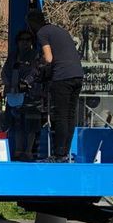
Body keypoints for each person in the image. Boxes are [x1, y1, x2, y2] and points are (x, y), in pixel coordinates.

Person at [27, 9, 84, 161]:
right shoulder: (59, 30)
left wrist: (37, 69)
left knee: (61, 116)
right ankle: (65, 152)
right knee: (70, 115)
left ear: (32, 23)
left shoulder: (42, 33)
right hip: (78, 74)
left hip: (62, 76)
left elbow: (49, 58)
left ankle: (59, 154)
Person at [1, 29, 44, 161]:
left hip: (30, 94)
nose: (25, 43)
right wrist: (8, 84)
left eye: (28, 40)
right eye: (22, 40)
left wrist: (26, 83)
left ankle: (28, 151)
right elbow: (4, 72)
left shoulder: (35, 55)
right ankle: (18, 150)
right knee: (16, 123)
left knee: (31, 123)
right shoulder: (13, 56)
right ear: (17, 42)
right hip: (13, 94)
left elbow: (36, 71)